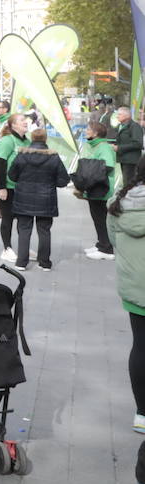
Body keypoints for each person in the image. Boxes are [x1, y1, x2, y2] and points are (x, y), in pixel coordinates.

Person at [108, 166, 145, 434]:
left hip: (134, 287)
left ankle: (142, 413)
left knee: (141, 347)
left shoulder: (119, 202)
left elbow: (113, 241)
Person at [8, 127, 69, 270]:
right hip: (46, 199)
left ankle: (21, 262)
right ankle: (45, 262)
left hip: (23, 198)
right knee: (44, 231)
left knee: (24, 230)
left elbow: (12, 175)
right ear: (45, 139)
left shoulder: (22, 155)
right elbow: (63, 180)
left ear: (32, 138)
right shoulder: (53, 157)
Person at [0, 113, 31, 263]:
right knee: (8, 217)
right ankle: (7, 248)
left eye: (25, 120)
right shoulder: (7, 141)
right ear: (13, 125)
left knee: (22, 217)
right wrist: (1, 188)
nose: (25, 122)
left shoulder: (27, 141)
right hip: (3, 185)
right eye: (22, 120)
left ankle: (23, 248)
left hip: (20, 186)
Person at [83, 119, 121, 261]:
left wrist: (90, 171)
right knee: (97, 218)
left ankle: (107, 249)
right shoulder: (94, 145)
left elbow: (108, 166)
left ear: (96, 133)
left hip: (101, 188)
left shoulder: (104, 147)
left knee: (101, 218)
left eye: (88, 129)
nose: (86, 131)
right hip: (92, 187)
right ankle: (101, 244)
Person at [119, 107, 144, 188]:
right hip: (124, 159)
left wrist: (119, 148)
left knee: (129, 184)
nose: (117, 116)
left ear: (127, 116)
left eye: (119, 114)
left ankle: (128, 199)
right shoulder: (122, 126)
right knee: (126, 183)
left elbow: (138, 144)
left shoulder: (135, 126)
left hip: (131, 161)